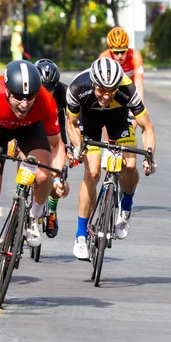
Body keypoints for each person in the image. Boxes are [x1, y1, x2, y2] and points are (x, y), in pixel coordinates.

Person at [0, 60, 70, 285]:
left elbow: (57, 145)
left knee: (43, 174)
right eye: (18, 97)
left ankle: (33, 216)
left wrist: (57, 177)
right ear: (7, 90)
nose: (24, 104)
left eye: (29, 97)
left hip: (30, 130)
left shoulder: (44, 100)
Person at [66, 57, 157, 260]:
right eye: (101, 90)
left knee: (130, 166)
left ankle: (126, 208)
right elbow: (71, 124)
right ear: (93, 83)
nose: (106, 96)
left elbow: (147, 127)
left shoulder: (127, 89)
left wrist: (149, 155)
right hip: (88, 118)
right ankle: (80, 235)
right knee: (92, 172)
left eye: (111, 90)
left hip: (118, 118)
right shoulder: (78, 87)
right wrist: (77, 146)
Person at [35, 58, 68, 238]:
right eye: (43, 88)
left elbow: (74, 121)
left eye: (51, 88)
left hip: (57, 134)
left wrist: (75, 146)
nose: (47, 92)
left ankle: (52, 212)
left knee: (57, 177)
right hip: (34, 131)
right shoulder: (28, 91)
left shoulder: (64, 92)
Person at [98, 27, 145, 101]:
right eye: (116, 52)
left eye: (123, 51)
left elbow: (139, 85)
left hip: (129, 92)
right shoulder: (104, 58)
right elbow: (101, 86)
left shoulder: (135, 56)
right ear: (110, 49)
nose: (120, 56)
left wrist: (140, 109)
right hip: (111, 93)